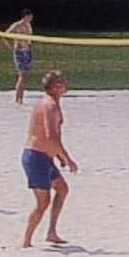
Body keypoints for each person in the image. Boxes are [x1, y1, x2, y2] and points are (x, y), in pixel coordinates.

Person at [22, 69, 78, 247]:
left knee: (62, 189)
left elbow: (54, 138)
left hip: (45, 157)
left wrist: (58, 156)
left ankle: (51, 232)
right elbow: (50, 136)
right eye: (61, 81)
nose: (65, 83)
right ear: (54, 87)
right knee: (42, 202)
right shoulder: (49, 105)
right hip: (36, 157)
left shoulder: (53, 103)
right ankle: (26, 240)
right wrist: (67, 158)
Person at [3, 9, 35, 105]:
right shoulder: (17, 25)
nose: (31, 18)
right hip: (20, 52)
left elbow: (29, 38)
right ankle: (18, 99)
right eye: (30, 16)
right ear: (25, 16)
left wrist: (29, 46)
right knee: (21, 76)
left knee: (25, 76)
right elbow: (4, 35)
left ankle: (21, 98)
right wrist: (11, 47)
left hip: (27, 52)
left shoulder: (29, 26)